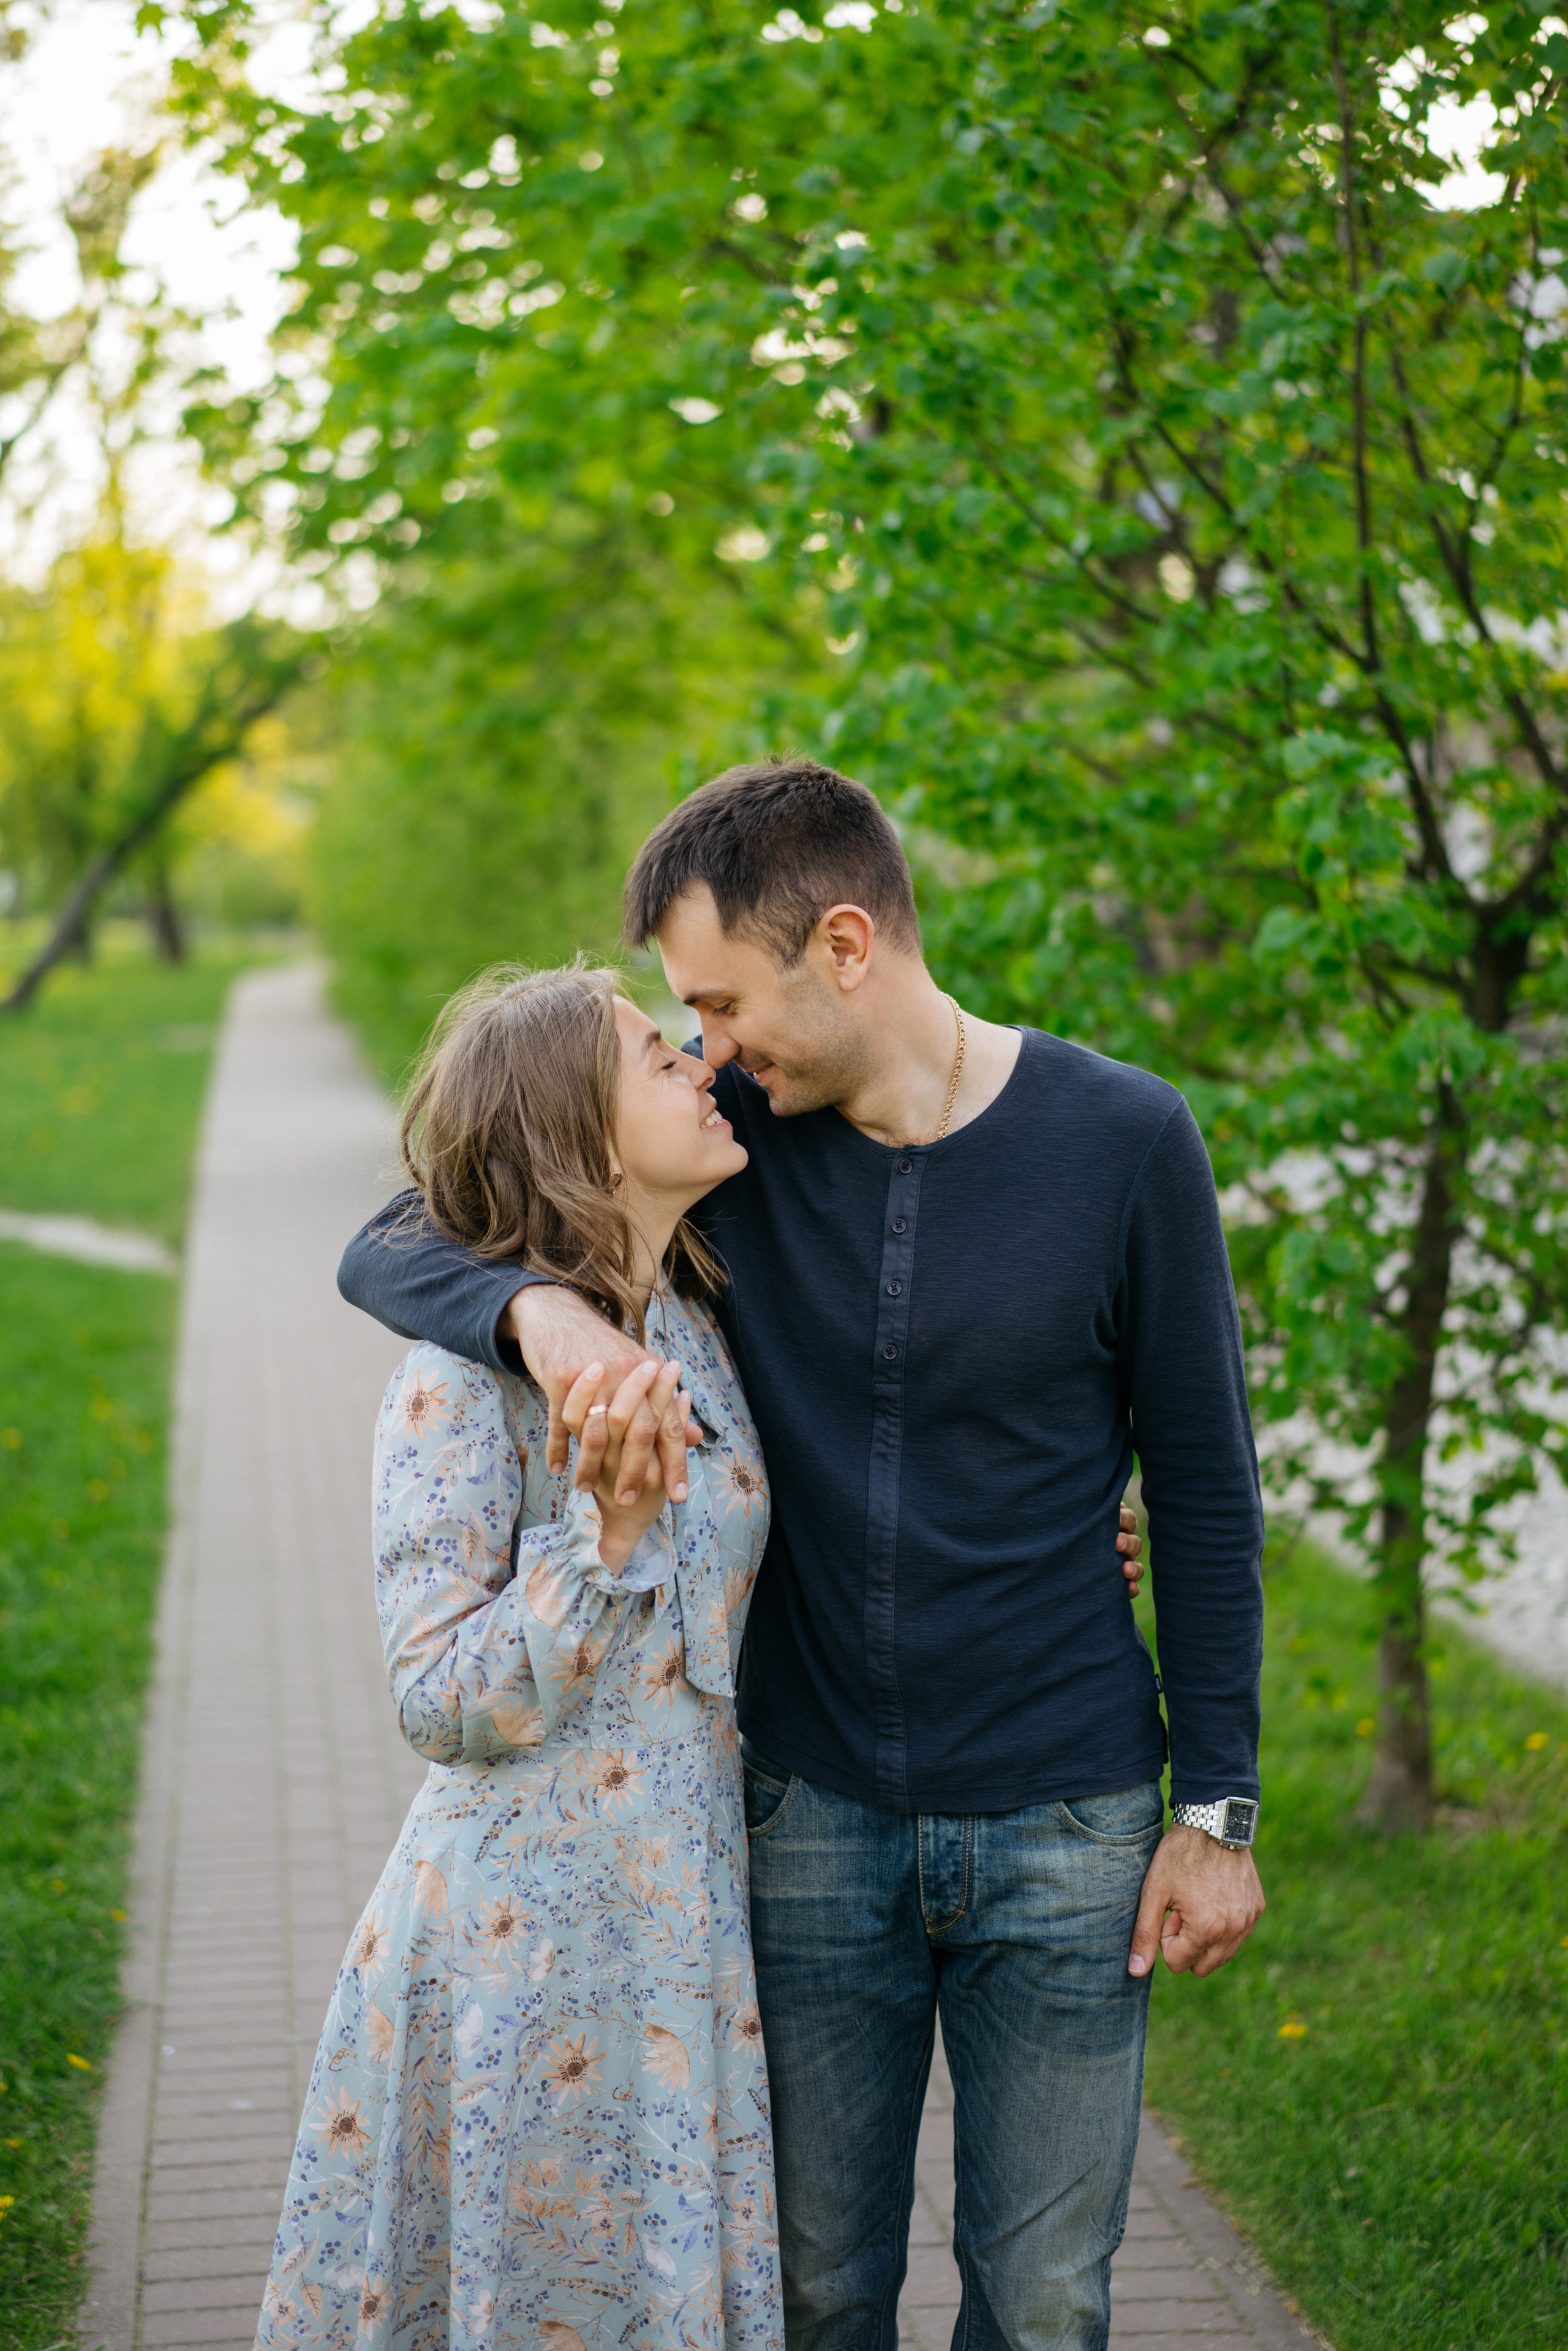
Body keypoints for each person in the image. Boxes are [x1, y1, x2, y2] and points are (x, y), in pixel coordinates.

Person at [338, 758, 1266, 2351]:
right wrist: (538, 1312)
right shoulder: (739, 1146)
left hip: (1070, 1815)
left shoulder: (1124, 1137)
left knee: (1047, 2299)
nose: (704, 1042)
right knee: (818, 2289)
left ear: (844, 945)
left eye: (718, 1000)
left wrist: (1217, 1809)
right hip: (808, 1813)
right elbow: (399, 1234)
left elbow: (1200, 1481)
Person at [258, 965, 784, 2351]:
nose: (701, 1065)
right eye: (655, 1056)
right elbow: (436, 1698)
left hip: (680, 1932)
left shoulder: (695, 1323)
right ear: (581, 1137)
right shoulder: (459, 1378)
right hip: (521, 1956)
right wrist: (600, 1541)